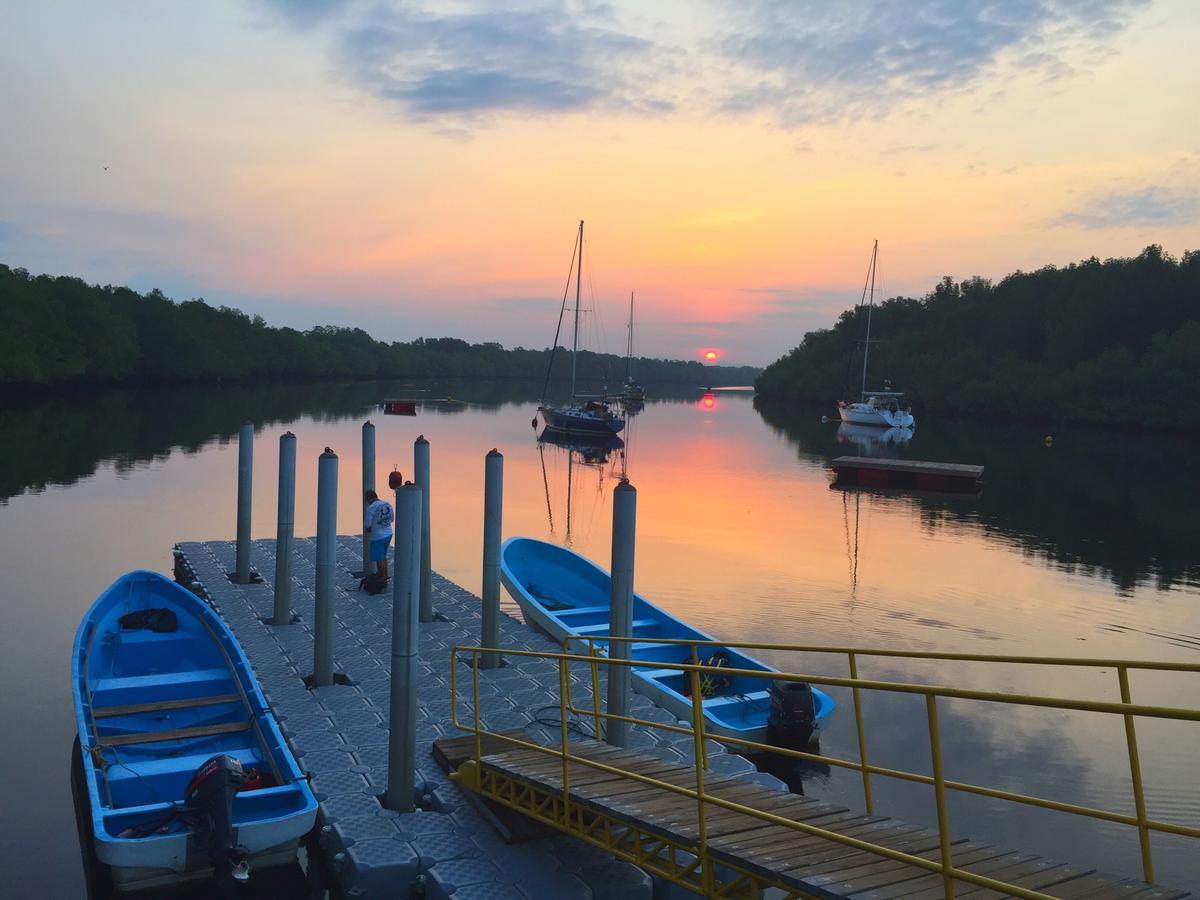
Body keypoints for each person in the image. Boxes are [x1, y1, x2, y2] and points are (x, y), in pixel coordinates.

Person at [363, 490, 394, 580]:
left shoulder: (371, 507)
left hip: (378, 536)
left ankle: (381, 577)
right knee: (383, 555)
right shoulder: (387, 504)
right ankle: (386, 574)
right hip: (388, 533)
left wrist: (370, 528)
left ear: (369, 498)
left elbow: (367, 524)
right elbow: (392, 519)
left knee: (378, 557)